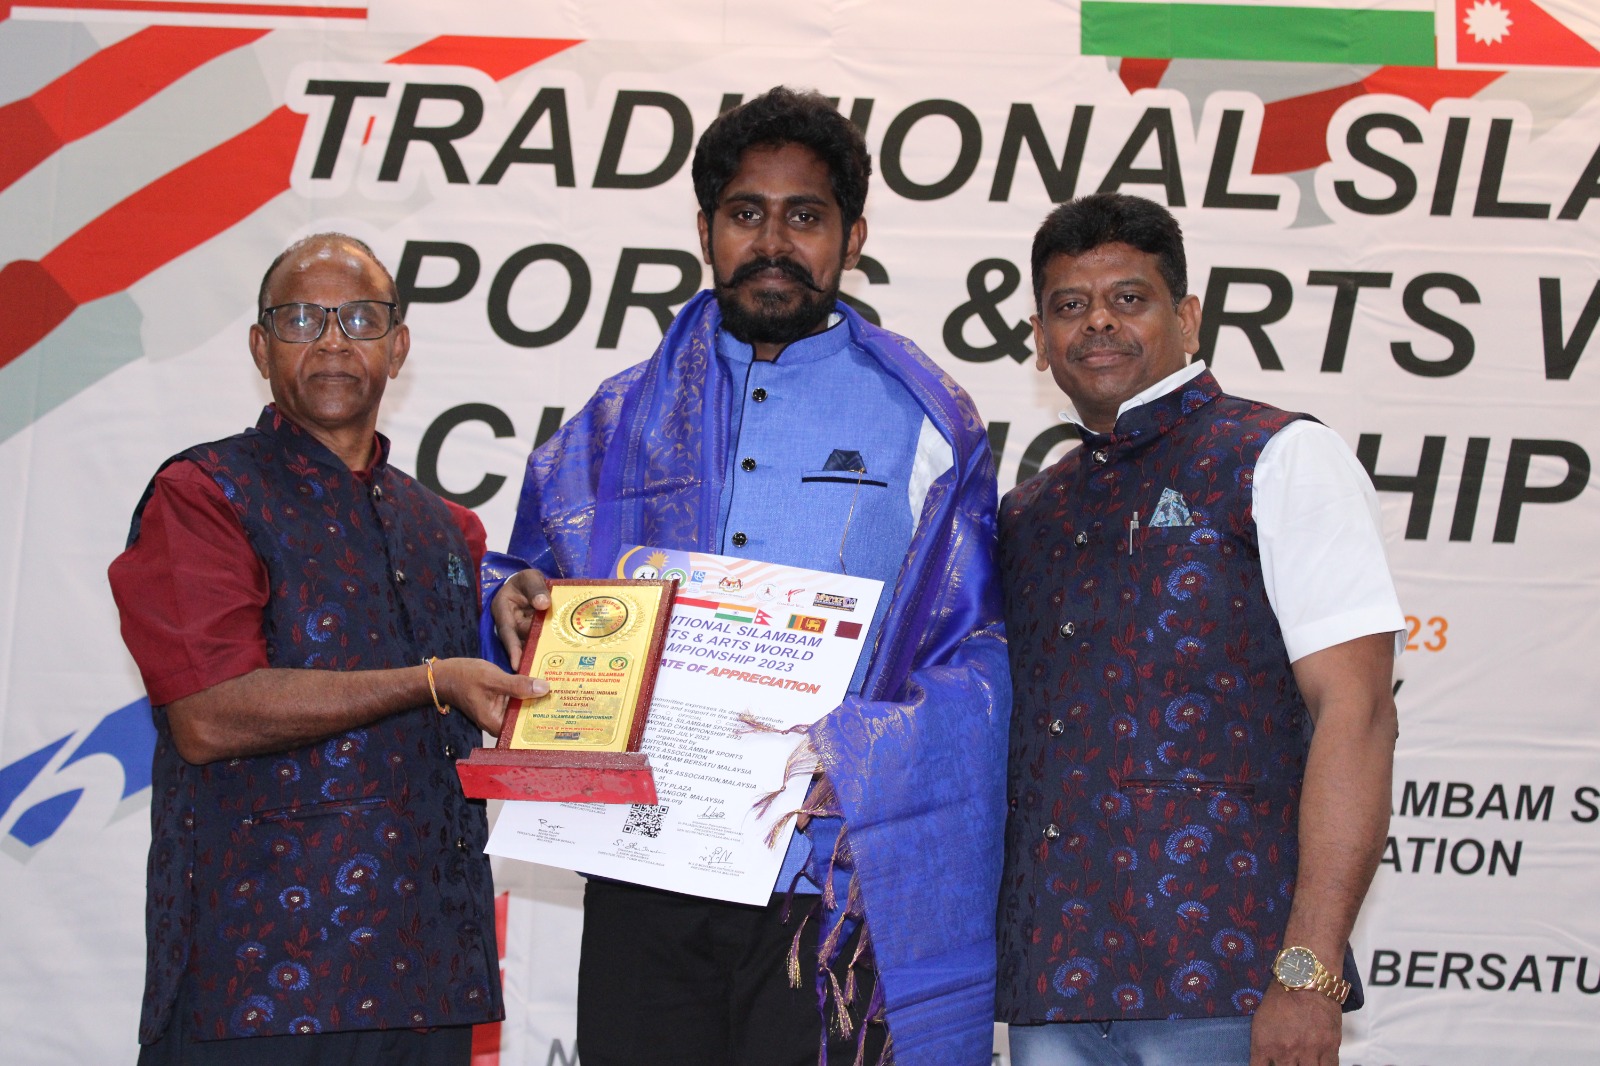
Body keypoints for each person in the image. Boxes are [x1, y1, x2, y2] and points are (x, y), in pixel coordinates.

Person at [482, 87, 1011, 1066]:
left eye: (804, 216)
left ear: (852, 238)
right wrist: (508, 603)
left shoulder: (926, 420)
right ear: (705, 231)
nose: (773, 242)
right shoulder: (616, 421)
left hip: (825, 884)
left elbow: (973, 647)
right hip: (642, 862)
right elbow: (523, 582)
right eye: (745, 214)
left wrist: (865, 749)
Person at [108, 233, 545, 1065]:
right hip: (260, 985)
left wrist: (524, 624)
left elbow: (483, 694)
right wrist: (432, 681)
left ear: (398, 347)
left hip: (432, 977)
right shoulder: (203, 495)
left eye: (361, 319)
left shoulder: (449, 529)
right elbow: (208, 714)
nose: (335, 340)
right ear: (260, 346)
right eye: (303, 319)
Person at [994, 193, 1403, 1066]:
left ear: (1186, 318)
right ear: (1039, 338)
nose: (1098, 321)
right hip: (1050, 988)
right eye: (1069, 305)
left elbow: (1359, 712)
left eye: (1128, 298)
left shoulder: (1279, 456)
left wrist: (1309, 971)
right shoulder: (1029, 513)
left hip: (1232, 987)